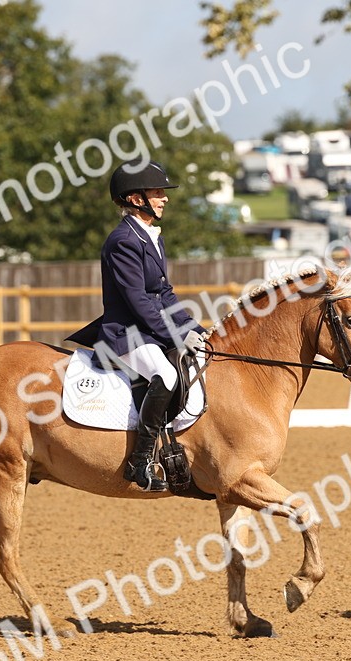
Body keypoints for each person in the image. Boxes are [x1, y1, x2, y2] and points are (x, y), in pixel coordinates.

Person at [69, 160, 207, 492]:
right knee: (168, 375)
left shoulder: (150, 237)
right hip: (125, 335)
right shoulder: (123, 241)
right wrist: (174, 334)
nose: (165, 198)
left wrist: (194, 329)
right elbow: (139, 302)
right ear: (135, 198)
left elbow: (163, 292)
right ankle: (139, 462)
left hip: (146, 331)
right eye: (158, 192)